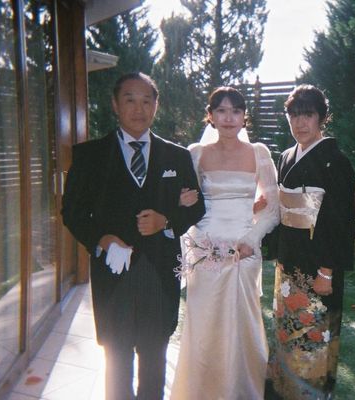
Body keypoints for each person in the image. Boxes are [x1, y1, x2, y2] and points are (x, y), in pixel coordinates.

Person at [61, 72, 206, 400]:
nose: (138, 109)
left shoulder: (177, 156)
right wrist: (102, 239)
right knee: (116, 358)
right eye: (130, 100)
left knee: (155, 358)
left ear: (156, 105)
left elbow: (197, 207)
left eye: (146, 101)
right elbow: (72, 212)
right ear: (115, 104)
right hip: (114, 272)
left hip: (159, 272)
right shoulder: (90, 155)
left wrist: (166, 220)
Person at [170, 86, 280, 399]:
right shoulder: (196, 153)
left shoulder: (259, 153)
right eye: (221, 110)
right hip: (204, 251)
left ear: (245, 117)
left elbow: (273, 208)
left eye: (235, 111)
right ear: (211, 116)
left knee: (243, 322)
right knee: (205, 323)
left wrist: (251, 239)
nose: (229, 117)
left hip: (245, 251)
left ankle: (242, 391)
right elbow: (185, 202)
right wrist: (180, 200)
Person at [269, 84, 355, 399]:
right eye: (294, 115)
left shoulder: (336, 162)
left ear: (322, 117)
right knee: (287, 333)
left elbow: (340, 223)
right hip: (289, 262)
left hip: (319, 266)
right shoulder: (285, 157)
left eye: (308, 115)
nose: (300, 123)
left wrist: (327, 271)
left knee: (314, 335)